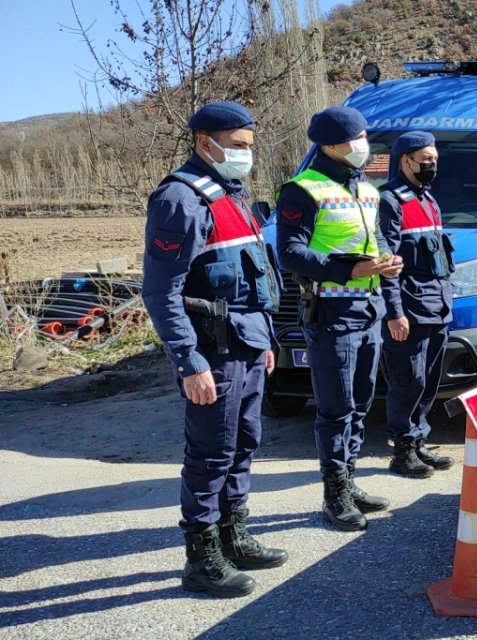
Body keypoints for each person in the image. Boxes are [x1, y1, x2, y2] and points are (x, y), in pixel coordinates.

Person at [142, 101, 288, 597]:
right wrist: (189, 361)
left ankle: (234, 536)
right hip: (213, 353)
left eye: (250, 146)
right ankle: (201, 559)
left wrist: (266, 340)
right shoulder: (180, 200)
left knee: (243, 446)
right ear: (206, 143)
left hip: (248, 348)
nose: (247, 155)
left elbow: (255, 280)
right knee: (210, 454)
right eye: (239, 146)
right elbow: (161, 291)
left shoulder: (234, 195)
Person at [276, 106, 403, 531]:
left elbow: (377, 237)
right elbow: (290, 252)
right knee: (335, 408)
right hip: (331, 311)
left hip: (369, 310)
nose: (363, 145)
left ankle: (350, 479)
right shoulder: (301, 189)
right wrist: (347, 270)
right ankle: (335, 495)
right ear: (329, 145)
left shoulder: (367, 189)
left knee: (362, 402)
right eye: (355, 138)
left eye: (364, 136)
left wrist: (387, 262)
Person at [378, 131, 456, 478]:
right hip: (409, 310)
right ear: (405, 160)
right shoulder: (390, 201)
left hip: (437, 307)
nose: (432, 164)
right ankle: (402, 450)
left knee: (428, 381)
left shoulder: (428, 200)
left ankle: (419, 440)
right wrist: (394, 312)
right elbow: (387, 263)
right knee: (407, 380)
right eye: (425, 159)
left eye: (435, 159)